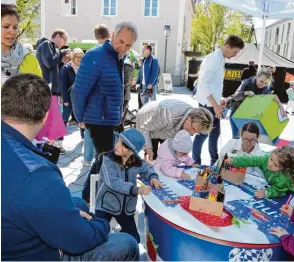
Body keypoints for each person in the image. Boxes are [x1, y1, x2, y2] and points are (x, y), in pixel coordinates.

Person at [1, 73, 139, 261]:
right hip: (29, 253)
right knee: (127, 243)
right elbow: (79, 240)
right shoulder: (37, 174)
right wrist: (101, 223)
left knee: (79, 205)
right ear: (45, 117)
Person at [71, 21, 138, 203]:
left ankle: (88, 198)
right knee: (108, 161)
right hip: (97, 119)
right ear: (113, 36)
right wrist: (80, 118)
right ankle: (92, 199)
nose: (123, 47)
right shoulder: (97, 55)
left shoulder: (118, 57)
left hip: (108, 119)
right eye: (121, 41)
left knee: (104, 160)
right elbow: (78, 90)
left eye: (128, 45)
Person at [95, 128, 162, 243]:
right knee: (98, 236)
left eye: (122, 144)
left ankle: (119, 242)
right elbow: (114, 183)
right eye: (118, 141)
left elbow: (147, 169)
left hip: (125, 209)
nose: (117, 145)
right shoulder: (108, 159)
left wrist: (153, 177)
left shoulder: (136, 162)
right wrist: (137, 190)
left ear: (131, 152)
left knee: (134, 239)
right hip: (105, 205)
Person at [193, 35, 245, 166]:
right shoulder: (215, 59)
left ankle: (213, 161)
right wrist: (215, 105)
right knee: (203, 134)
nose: (235, 55)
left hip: (211, 103)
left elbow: (212, 84)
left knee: (214, 133)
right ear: (227, 46)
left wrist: (218, 99)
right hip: (208, 105)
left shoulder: (219, 58)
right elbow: (204, 83)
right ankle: (197, 162)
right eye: (235, 52)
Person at [136, 99, 214, 162]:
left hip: (166, 127)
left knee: (167, 157)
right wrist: (148, 149)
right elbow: (145, 129)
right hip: (147, 120)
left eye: (196, 132)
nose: (192, 133)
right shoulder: (168, 114)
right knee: (152, 157)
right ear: (189, 118)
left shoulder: (191, 121)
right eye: (193, 129)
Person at [36, 28, 71, 153]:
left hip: (52, 89)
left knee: (53, 121)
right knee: (50, 121)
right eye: (64, 40)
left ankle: (50, 146)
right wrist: (61, 53)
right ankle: (48, 147)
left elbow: (53, 66)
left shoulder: (52, 48)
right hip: (47, 89)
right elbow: (49, 63)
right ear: (57, 36)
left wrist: (61, 60)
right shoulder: (46, 44)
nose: (64, 44)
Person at [226, 68, 285, 139]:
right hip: (236, 112)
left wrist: (280, 105)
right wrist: (245, 93)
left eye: (266, 83)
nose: (263, 84)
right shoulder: (247, 82)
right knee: (236, 136)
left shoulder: (266, 88)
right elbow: (235, 97)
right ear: (257, 76)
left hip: (249, 115)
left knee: (249, 139)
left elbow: (271, 97)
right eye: (261, 81)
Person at [225, 146, 294, 199]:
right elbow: (251, 160)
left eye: (275, 165)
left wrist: (266, 193)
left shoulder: (284, 178)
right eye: (271, 159)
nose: (270, 164)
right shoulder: (265, 159)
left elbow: (279, 191)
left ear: (284, 168)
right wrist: (233, 161)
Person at [1, 4, 41, 84]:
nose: (12, 31)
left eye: (15, 27)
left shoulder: (30, 59)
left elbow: (41, 93)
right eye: (6, 26)